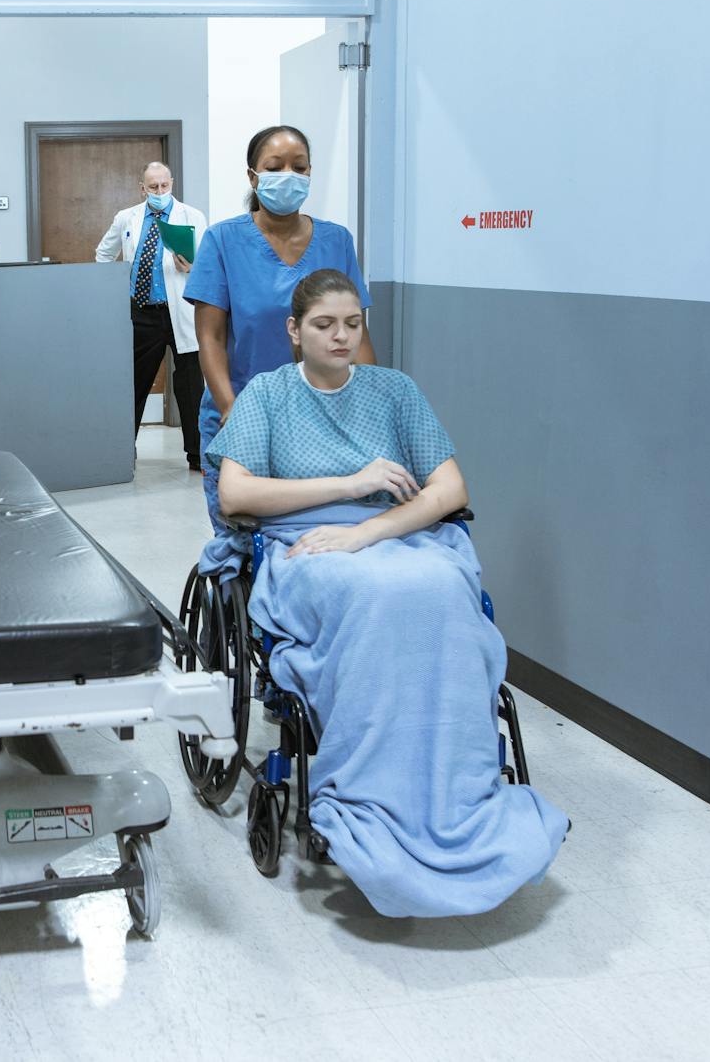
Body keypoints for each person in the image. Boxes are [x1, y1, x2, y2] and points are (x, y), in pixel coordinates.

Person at [204, 268, 568, 916]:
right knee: (372, 597)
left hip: (398, 536)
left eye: (352, 322)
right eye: (324, 324)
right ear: (294, 330)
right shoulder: (266, 396)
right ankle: (372, 792)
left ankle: (456, 792)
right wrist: (349, 485)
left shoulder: (395, 392)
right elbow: (237, 494)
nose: (341, 335)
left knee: (440, 587)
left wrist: (372, 527)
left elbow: (450, 490)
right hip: (305, 544)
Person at [184, 124, 372, 531]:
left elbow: (359, 335)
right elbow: (210, 337)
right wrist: (232, 408)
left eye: (299, 166)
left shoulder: (336, 241)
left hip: (322, 414)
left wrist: (373, 405)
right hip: (241, 412)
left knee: (323, 527)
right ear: (253, 176)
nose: (289, 174)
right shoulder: (223, 241)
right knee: (247, 538)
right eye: (276, 166)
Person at [94, 161, 209, 469]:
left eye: (164, 186)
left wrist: (193, 268)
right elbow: (103, 254)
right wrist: (114, 290)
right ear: (142, 188)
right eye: (153, 187)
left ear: (172, 183)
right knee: (134, 383)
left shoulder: (193, 216)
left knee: (190, 385)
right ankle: (121, 449)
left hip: (181, 310)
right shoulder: (126, 217)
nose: (160, 192)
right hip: (141, 311)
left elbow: (208, 264)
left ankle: (197, 455)